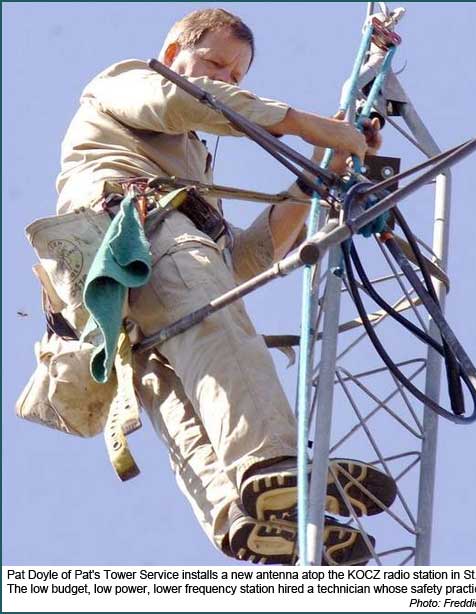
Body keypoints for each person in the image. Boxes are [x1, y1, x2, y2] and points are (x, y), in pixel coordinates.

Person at [55, 7, 396, 565]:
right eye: (213, 62)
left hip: (116, 289)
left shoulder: (187, 164)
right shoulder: (126, 81)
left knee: (182, 395)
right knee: (219, 330)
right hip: (133, 235)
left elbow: (245, 258)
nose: (223, 81)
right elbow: (177, 100)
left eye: (236, 77)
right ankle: (273, 465)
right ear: (174, 55)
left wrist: (324, 163)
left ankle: (246, 519)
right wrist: (310, 124)